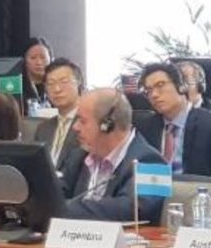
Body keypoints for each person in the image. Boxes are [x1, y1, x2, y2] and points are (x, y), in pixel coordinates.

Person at [61, 89, 165, 223]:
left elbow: (134, 209)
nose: (75, 127)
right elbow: (56, 194)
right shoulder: (78, 156)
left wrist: (63, 209)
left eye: (82, 121)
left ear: (107, 125)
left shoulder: (154, 163)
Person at [133, 62, 211, 176]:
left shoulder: (207, 124)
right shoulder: (144, 127)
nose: (154, 95)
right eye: (148, 90)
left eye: (160, 85)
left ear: (181, 86)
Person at [32, 58, 84, 173]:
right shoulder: (43, 128)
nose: (57, 89)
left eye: (64, 82)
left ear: (78, 83)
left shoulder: (88, 124)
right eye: (50, 84)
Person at [22, 37, 53, 111]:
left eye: (43, 58)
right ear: (25, 61)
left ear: (51, 59)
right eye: (33, 58)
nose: (38, 62)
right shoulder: (18, 89)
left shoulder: (56, 87)